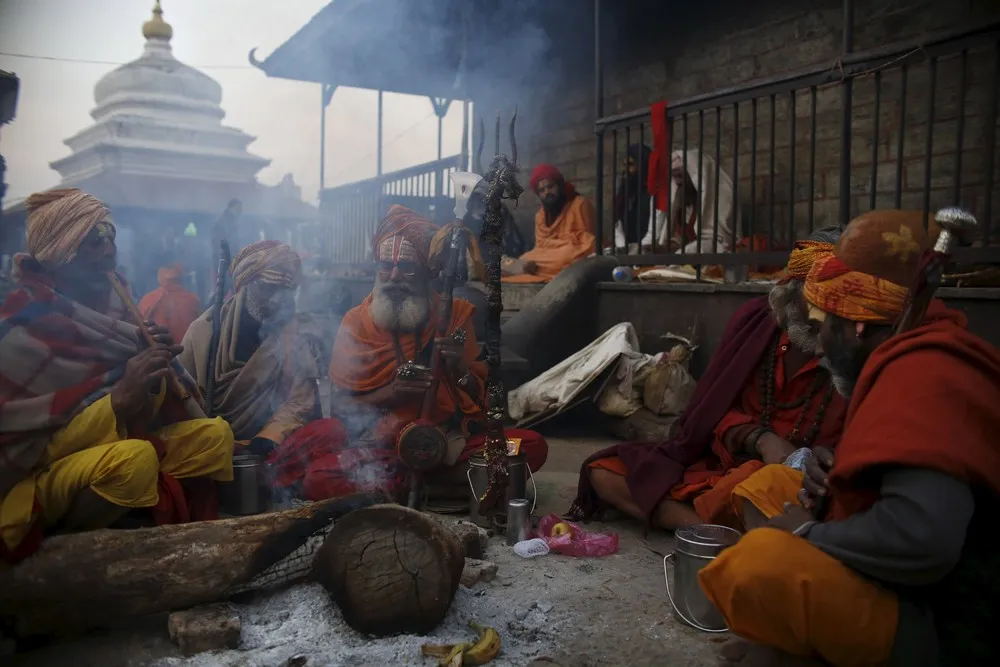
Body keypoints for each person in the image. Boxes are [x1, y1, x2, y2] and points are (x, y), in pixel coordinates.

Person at [698, 210, 1000, 667]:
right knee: (768, 487)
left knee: (757, 564)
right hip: (905, 581)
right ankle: (787, 641)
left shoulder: (923, 375)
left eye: (825, 320)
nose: (818, 335)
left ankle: (789, 645)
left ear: (858, 327)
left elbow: (923, 541)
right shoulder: (908, 348)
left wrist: (807, 532)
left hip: (941, 624)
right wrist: (842, 470)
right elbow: (899, 467)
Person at [0, 188, 234, 563]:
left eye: (110, 239)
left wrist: (151, 364)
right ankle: (65, 545)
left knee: (215, 436)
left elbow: (141, 400)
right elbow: (28, 445)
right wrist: (120, 398)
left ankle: (136, 515)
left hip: (119, 441)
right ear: (59, 255)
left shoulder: (118, 300)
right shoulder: (23, 323)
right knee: (134, 463)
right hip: (44, 473)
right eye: (93, 243)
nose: (109, 251)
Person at [569, 227, 847, 530]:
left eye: (835, 303)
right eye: (816, 299)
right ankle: (709, 529)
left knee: (758, 489)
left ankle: (700, 527)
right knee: (603, 471)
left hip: (783, 485)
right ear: (794, 293)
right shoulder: (756, 324)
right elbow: (709, 411)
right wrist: (760, 439)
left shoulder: (853, 350)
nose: (825, 313)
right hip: (721, 463)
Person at [291, 205, 547, 503]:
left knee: (530, 445)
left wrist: (458, 367)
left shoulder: (454, 316)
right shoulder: (356, 322)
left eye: (407, 267)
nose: (394, 276)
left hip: (446, 444)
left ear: (426, 273)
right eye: (385, 266)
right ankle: (443, 487)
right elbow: (340, 407)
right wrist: (391, 393)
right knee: (319, 476)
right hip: (382, 447)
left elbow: (483, 404)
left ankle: (412, 487)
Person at [179, 241, 324, 462]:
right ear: (245, 285)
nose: (275, 299)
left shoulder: (296, 333)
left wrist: (267, 438)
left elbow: (300, 401)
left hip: (272, 443)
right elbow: (182, 394)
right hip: (211, 441)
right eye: (267, 288)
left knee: (328, 431)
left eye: (283, 291)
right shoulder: (203, 331)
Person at [501, 164, 596, 283]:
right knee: (525, 258)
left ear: (559, 186)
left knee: (567, 256)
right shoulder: (540, 215)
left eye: (550, 187)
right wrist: (556, 245)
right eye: (542, 190)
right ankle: (531, 268)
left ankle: (533, 270)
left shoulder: (580, 204)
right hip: (550, 256)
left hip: (571, 253)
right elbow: (541, 246)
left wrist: (556, 245)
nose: (547, 192)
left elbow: (588, 242)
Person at [138, 262, 201, 344]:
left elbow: (138, 330)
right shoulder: (193, 300)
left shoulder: (147, 299)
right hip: (185, 352)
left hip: (156, 353)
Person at [613, 144, 653, 253]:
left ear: (643, 165)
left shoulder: (654, 192)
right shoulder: (624, 193)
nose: (625, 170)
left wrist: (639, 250)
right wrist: (623, 249)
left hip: (649, 251)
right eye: (624, 164)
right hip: (627, 252)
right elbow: (618, 226)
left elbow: (656, 231)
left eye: (631, 164)